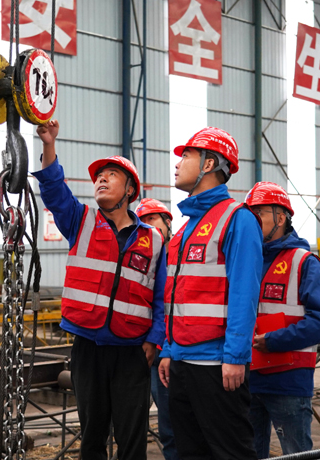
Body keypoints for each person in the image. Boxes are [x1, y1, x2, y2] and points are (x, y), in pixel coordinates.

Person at [34, 119, 166, 460]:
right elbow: (53, 190)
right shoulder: (81, 221)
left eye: (111, 175)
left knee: (132, 438)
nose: (101, 180)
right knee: (92, 437)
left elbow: (161, 297)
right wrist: (49, 144)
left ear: (130, 190)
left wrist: (154, 340)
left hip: (132, 351)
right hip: (88, 347)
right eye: (98, 177)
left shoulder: (153, 240)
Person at [158, 127, 262, 460]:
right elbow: (176, 298)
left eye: (186, 156)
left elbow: (244, 294)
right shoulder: (186, 227)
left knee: (231, 453)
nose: (177, 164)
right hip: (181, 363)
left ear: (208, 164)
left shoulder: (237, 219)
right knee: (190, 453)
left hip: (217, 366)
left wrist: (235, 357)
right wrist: (169, 349)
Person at [245, 182, 320, 458]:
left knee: (295, 453)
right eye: (250, 214)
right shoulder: (245, 260)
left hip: (288, 382)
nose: (253, 220)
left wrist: (275, 340)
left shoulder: (304, 262)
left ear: (281, 218)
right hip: (247, 379)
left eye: (260, 213)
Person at [135, 197, 178, 460]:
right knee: (162, 424)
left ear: (167, 222)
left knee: (175, 423)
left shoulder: (182, 253)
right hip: (149, 349)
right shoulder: (143, 258)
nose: (148, 226)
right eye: (142, 221)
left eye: (152, 219)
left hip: (175, 350)